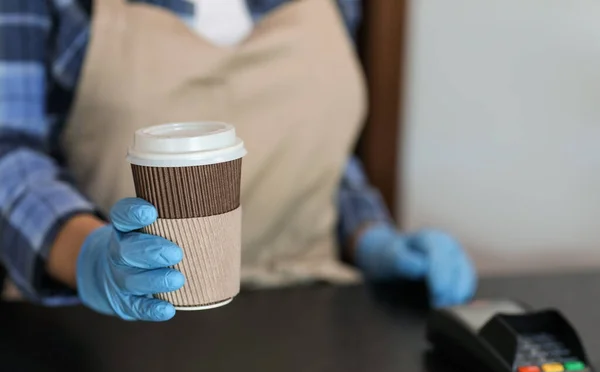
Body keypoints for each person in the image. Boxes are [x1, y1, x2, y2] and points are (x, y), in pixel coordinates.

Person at [0, 0, 477, 321]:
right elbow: (10, 154)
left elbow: (318, 149)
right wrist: (91, 258)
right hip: (109, 326)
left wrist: (372, 237)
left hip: (309, 315)